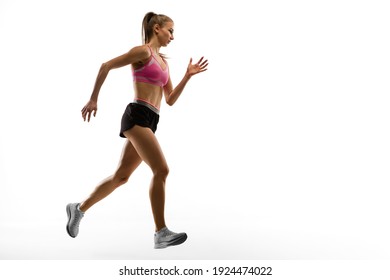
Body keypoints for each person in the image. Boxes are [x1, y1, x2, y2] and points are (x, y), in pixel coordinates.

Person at [66, 12, 208, 249]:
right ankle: (160, 232)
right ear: (157, 29)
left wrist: (187, 76)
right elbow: (106, 66)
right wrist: (93, 99)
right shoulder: (143, 52)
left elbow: (170, 99)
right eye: (170, 30)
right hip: (137, 115)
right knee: (161, 170)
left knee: (121, 177)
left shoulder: (164, 62)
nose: (173, 36)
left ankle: (78, 209)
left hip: (152, 119)